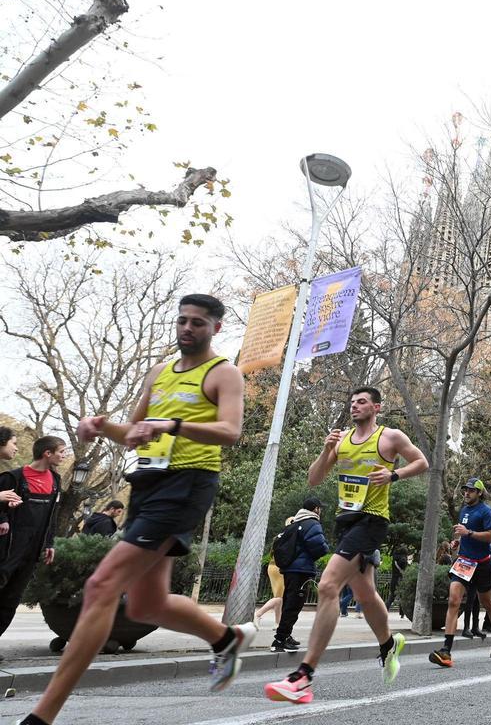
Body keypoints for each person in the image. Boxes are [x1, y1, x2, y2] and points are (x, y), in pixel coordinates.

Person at [19, 294, 250, 725]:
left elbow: (230, 431)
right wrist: (102, 426)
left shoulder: (224, 373)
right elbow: (133, 434)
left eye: (197, 323)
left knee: (101, 586)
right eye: (182, 320)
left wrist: (175, 425)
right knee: (146, 606)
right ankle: (225, 639)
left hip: (187, 483)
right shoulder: (159, 372)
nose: (186, 328)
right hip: (147, 481)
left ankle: (42, 716)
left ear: (215, 328)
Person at [265, 386, 428, 704]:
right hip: (346, 521)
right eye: (352, 402)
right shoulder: (340, 441)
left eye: (362, 402)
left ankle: (303, 677)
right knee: (366, 594)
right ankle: (388, 645)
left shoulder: (389, 437)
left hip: (372, 520)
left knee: (328, 586)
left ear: (376, 407)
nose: (355, 406)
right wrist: (327, 451)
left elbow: (421, 461)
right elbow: (314, 479)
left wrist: (394, 475)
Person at [428, 478, 491, 667]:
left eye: (471, 491)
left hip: (482, 564)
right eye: (465, 490)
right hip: (464, 562)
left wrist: (469, 533)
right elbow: (462, 534)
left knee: (487, 603)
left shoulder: (486, 511)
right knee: (453, 600)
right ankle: (446, 650)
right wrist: (458, 542)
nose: (466, 493)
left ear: (479, 493)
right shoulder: (464, 511)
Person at [0, 436, 63, 641]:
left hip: (33, 551)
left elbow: (53, 515)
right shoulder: (13, 477)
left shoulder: (56, 481)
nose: (64, 456)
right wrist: (3, 518)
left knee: (11, 600)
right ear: (48, 453)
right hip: (7, 549)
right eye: (61, 451)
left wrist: (49, 543)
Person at [270, 499, 329, 653]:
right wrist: (325, 548)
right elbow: (319, 546)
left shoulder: (295, 522)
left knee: (290, 602)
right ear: (316, 509)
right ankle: (279, 640)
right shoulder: (312, 523)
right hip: (301, 570)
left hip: (290, 569)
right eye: (320, 508)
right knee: (294, 605)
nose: (320, 511)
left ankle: (286, 634)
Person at [254, 557, 285, 630]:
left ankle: (278, 623)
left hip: (273, 566)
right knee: (280, 597)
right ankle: (258, 614)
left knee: (279, 597)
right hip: (280, 568)